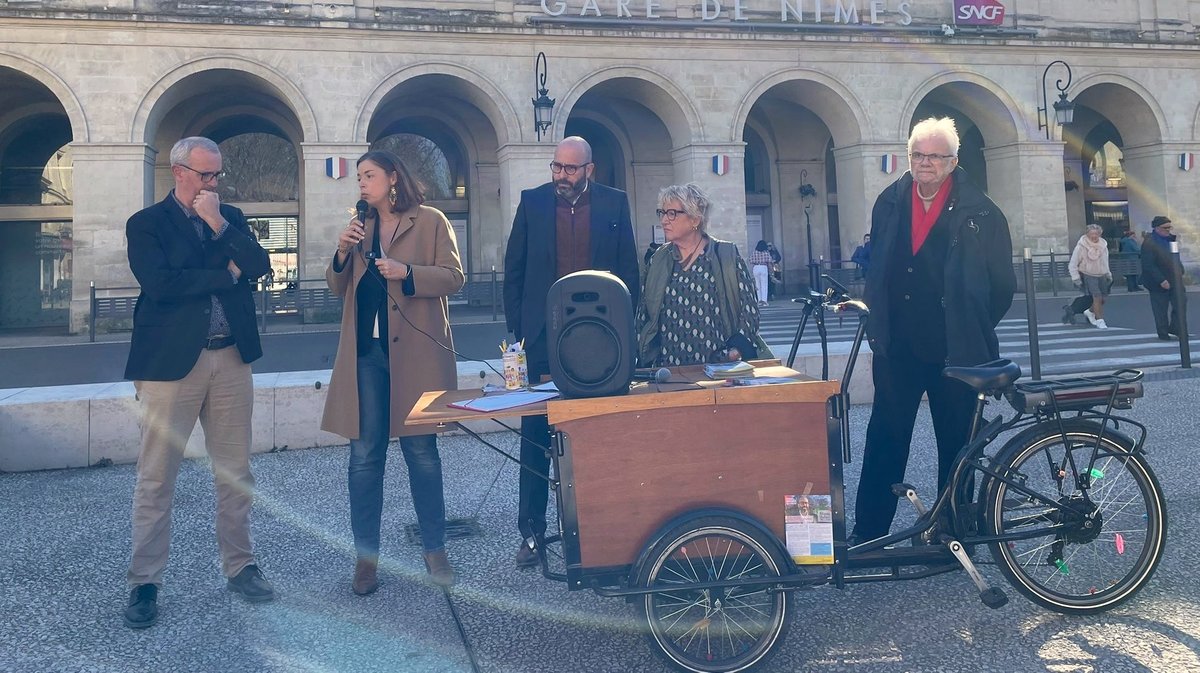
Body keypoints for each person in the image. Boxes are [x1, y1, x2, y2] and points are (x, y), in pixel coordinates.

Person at [122, 136, 274, 629]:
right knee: (156, 476)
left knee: (235, 470)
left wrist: (217, 226)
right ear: (178, 172)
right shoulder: (146, 224)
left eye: (216, 176)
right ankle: (145, 581)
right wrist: (222, 275)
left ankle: (241, 566)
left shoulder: (228, 219)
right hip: (170, 365)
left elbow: (260, 266)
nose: (212, 184)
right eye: (204, 175)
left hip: (231, 357)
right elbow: (161, 285)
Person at [852, 117, 1016, 543]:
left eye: (934, 156)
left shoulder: (982, 212)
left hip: (955, 349)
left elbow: (1002, 287)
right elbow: (880, 263)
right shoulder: (889, 201)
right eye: (917, 155)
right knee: (885, 437)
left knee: (958, 444)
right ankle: (870, 531)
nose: (924, 163)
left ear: (953, 161)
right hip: (898, 345)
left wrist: (969, 324)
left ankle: (954, 531)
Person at [320, 150, 464, 592]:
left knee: (421, 453)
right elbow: (335, 286)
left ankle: (434, 549)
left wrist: (407, 272)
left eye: (369, 175)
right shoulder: (358, 228)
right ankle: (366, 559)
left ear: (393, 178)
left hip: (416, 355)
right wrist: (343, 252)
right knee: (364, 457)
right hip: (366, 354)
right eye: (359, 176)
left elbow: (455, 277)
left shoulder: (431, 220)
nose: (361, 183)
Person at [503, 136, 639, 568]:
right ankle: (531, 534)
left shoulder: (615, 205)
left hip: (603, 339)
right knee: (535, 436)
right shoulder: (533, 203)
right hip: (543, 339)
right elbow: (515, 270)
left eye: (570, 169)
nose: (562, 176)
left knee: (601, 435)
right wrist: (519, 336)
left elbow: (628, 271)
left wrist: (627, 332)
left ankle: (606, 530)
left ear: (589, 170)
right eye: (556, 167)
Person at [637, 183, 762, 367]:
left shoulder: (725, 255)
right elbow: (644, 314)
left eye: (672, 213)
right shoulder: (658, 259)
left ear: (695, 219)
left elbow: (749, 310)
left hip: (719, 372)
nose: (664, 220)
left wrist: (735, 351)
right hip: (670, 373)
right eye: (662, 213)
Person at [1140, 215, 1187, 340]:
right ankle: (1163, 332)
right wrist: (1161, 280)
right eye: (1165, 227)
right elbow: (1148, 265)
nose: (1168, 230)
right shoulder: (1149, 242)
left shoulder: (1171, 240)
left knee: (1181, 304)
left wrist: (1180, 269)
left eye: (1169, 227)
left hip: (1175, 278)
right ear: (1156, 228)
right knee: (1160, 308)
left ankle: (1177, 328)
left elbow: (1175, 257)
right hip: (1158, 281)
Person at [1068, 224, 1113, 329]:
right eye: (1092, 233)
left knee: (1103, 299)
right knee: (1097, 297)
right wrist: (1075, 278)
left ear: (1100, 234)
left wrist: (1108, 273)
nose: (1094, 236)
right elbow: (1073, 263)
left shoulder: (1103, 245)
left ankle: (1089, 312)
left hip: (1101, 274)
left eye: (1096, 233)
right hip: (1088, 274)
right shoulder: (1081, 246)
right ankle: (1100, 320)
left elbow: (1105, 261)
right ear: (1087, 234)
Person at [748, 240, 773, 307]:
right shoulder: (766, 253)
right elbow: (769, 262)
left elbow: (751, 261)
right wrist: (771, 271)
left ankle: (759, 301)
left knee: (757, 285)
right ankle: (764, 301)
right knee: (764, 285)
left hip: (756, 267)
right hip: (763, 267)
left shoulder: (754, 253)